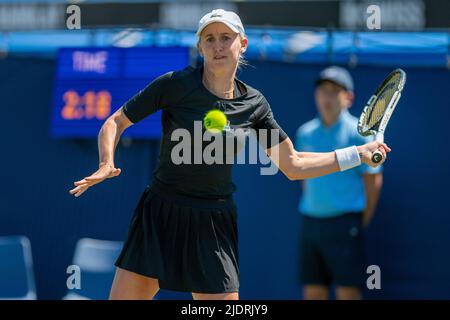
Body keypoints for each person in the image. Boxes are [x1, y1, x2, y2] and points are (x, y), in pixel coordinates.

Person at [69, 9, 390, 300]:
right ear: (200, 47)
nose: (218, 45)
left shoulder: (255, 104)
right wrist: (106, 161)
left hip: (213, 222)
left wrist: (357, 153)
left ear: (243, 44)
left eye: (226, 38)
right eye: (210, 39)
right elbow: (116, 121)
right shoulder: (175, 85)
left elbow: (294, 165)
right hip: (161, 213)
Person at [295, 66, 383, 300]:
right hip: (311, 224)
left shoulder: (360, 135)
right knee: (313, 291)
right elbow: (302, 176)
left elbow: (373, 183)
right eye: (323, 90)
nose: (327, 96)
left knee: (348, 292)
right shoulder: (305, 133)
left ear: (349, 98)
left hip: (345, 225)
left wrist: (358, 220)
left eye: (334, 91)